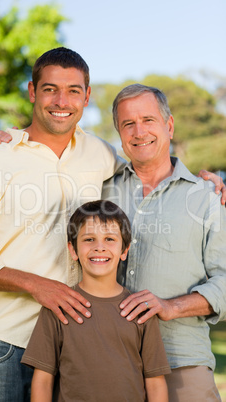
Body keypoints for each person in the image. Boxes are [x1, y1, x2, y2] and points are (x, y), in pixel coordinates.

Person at [0, 47, 124, 401]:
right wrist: (36, 285)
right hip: (9, 343)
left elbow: (150, 167)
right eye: (50, 89)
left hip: (76, 342)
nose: (61, 100)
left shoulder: (102, 155)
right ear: (33, 92)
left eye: (73, 91)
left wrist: (206, 180)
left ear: (87, 96)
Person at [101, 83, 226, 401]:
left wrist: (172, 306)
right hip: (110, 364)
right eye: (128, 123)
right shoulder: (101, 189)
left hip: (181, 364)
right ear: (119, 133)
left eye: (148, 120)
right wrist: (11, 140)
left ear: (168, 125)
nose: (139, 132)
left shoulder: (207, 197)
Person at [21, 200, 171, 402]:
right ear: (73, 250)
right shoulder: (58, 306)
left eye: (109, 239)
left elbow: (155, 381)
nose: (99, 247)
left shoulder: (140, 309)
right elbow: (43, 380)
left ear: (124, 250)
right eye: (89, 239)